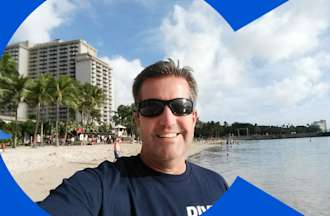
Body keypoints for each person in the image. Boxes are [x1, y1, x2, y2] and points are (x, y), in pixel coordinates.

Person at [38, 59, 228, 216]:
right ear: (137, 119)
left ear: (193, 118)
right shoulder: (100, 188)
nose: (168, 121)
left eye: (180, 107)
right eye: (152, 107)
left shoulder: (218, 186)